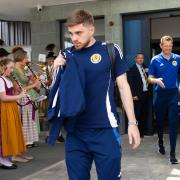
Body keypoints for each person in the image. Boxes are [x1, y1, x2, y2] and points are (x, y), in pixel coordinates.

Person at [53, 9, 140, 180]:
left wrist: (132, 123)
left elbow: (123, 86)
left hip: (105, 131)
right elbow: (56, 92)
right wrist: (55, 68)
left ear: (91, 29)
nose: (74, 38)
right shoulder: (66, 55)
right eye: (71, 33)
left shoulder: (110, 50)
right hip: (75, 133)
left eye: (79, 32)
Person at [148, 35, 180, 164]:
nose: (168, 48)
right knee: (160, 123)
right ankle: (160, 142)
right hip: (160, 95)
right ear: (161, 45)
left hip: (173, 95)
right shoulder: (155, 59)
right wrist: (155, 80)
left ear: (172, 45)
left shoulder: (177, 58)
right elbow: (149, 78)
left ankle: (172, 153)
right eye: (165, 46)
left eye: (170, 46)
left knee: (173, 123)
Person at [0, 58, 27, 169]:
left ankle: (6, 157)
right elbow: (3, 97)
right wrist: (19, 96)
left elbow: (10, 93)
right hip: (4, 108)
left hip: (11, 108)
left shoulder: (8, 80)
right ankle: (2, 159)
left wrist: (18, 91)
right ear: (3, 67)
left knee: (10, 132)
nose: (12, 70)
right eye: (10, 68)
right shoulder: (1, 80)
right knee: (5, 133)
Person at [13, 49, 41, 148]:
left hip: (27, 96)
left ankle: (29, 140)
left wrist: (33, 80)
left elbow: (25, 83)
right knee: (24, 119)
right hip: (21, 98)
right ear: (21, 58)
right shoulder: (14, 70)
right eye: (26, 58)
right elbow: (17, 88)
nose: (27, 60)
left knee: (29, 118)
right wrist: (34, 85)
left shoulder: (22, 69)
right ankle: (25, 141)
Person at [127, 53, 150, 137]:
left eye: (142, 58)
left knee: (144, 113)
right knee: (137, 114)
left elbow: (147, 79)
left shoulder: (144, 68)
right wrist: (134, 94)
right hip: (137, 95)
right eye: (139, 58)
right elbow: (131, 83)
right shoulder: (132, 69)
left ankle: (142, 132)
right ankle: (136, 133)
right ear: (135, 59)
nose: (140, 59)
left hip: (145, 94)